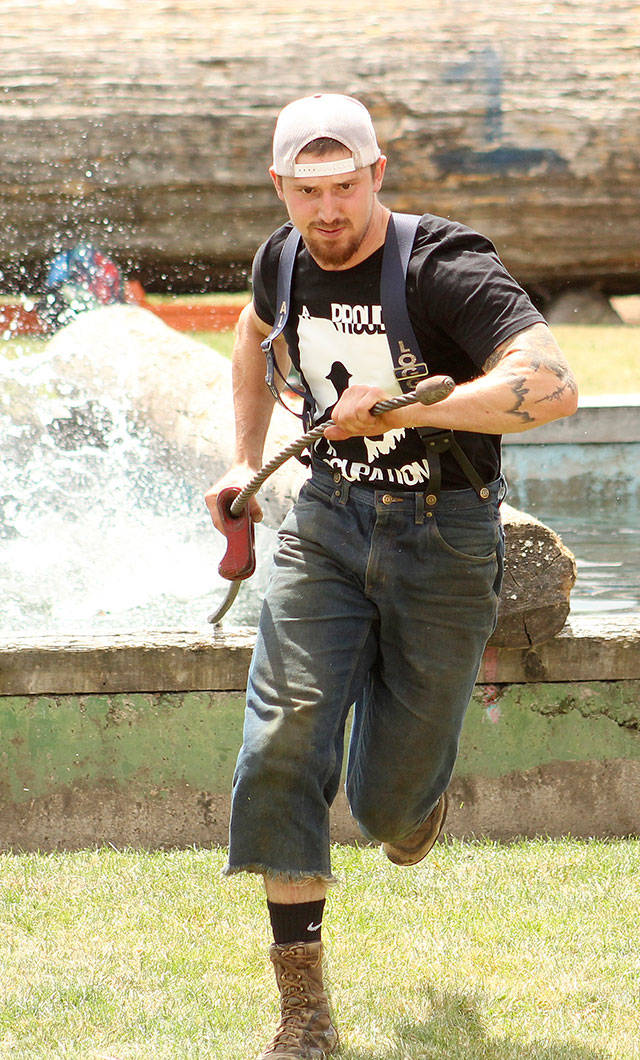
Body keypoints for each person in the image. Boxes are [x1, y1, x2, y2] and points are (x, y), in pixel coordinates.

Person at [205, 93, 578, 1059]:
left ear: (378, 174)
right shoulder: (282, 260)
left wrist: (410, 411)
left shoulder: (443, 265)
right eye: (307, 192)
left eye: (345, 187)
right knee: (281, 739)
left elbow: (553, 386)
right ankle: (305, 1016)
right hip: (325, 524)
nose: (327, 211)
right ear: (279, 186)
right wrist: (243, 459)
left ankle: (414, 805)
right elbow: (251, 330)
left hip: (446, 535)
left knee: (387, 810)